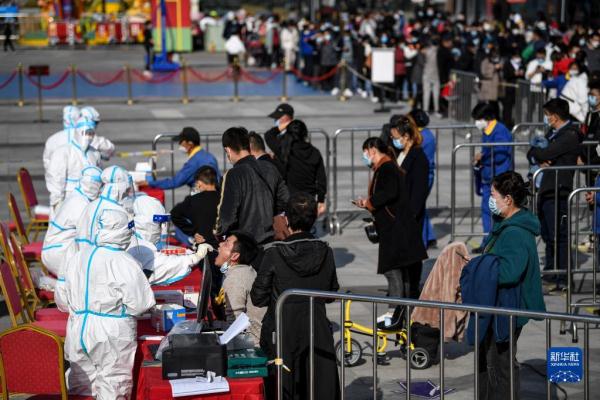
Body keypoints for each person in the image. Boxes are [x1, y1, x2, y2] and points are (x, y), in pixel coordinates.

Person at [55, 208, 155, 399]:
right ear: (122, 230)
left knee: (81, 385)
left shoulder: (79, 256)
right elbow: (141, 303)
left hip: (78, 327)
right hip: (111, 332)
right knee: (113, 385)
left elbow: (62, 299)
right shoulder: (123, 260)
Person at [251, 192, 340, 400]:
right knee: (315, 386)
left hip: (282, 330)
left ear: (288, 220)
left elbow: (258, 297)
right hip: (315, 327)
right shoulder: (325, 250)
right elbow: (330, 293)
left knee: (284, 388)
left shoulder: (274, 252)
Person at [474, 171, 546, 400]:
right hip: (501, 306)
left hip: (507, 308)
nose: (490, 199)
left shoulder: (515, 232)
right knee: (493, 361)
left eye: (493, 194)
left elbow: (508, 272)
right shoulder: (506, 224)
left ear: (508, 199)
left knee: (499, 364)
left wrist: (478, 268)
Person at [353, 137, 427, 309]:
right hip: (397, 229)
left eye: (365, 152)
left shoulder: (387, 168)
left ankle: (396, 311)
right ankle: (404, 311)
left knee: (393, 271)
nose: (364, 156)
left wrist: (368, 203)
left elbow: (389, 192)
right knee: (403, 273)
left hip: (397, 230)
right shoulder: (385, 168)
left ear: (372, 150)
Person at [527, 98, 581, 291]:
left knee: (560, 235)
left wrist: (541, 154)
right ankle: (551, 273)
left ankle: (563, 277)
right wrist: (538, 153)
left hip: (559, 189)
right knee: (548, 234)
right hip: (546, 189)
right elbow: (533, 152)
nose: (547, 118)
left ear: (556, 116)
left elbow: (543, 153)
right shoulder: (553, 133)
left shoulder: (569, 135)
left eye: (548, 115)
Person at [215, 127, 289, 247]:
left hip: (245, 244)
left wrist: (216, 232)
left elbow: (226, 218)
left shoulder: (232, 175)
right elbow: (284, 199)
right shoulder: (270, 168)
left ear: (227, 150)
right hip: (270, 240)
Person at [127, 195, 213, 285]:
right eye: (159, 224)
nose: (161, 228)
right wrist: (196, 257)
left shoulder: (135, 238)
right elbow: (164, 266)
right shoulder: (140, 247)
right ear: (147, 223)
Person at [42, 166, 103, 276]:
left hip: (55, 248)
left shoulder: (77, 195)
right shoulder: (80, 204)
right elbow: (89, 235)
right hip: (58, 253)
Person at [471, 102, 513, 250]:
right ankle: (487, 243)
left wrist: (483, 157)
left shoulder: (500, 130)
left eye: (478, 119)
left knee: (497, 212)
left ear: (486, 118)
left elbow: (501, 153)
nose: (476, 122)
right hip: (489, 177)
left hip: (499, 178)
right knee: (486, 211)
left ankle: (496, 244)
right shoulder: (488, 130)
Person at [266, 120, 327, 216]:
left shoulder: (285, 151)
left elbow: (269, 136)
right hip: (308, 200)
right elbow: (321, 179)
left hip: (290, 199)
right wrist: (321, 200)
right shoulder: (315, 152)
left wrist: (286, 124)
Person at [215, 231, 265, 345]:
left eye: (226, 244)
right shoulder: (244, 270)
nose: (220, 245)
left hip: (252, 346)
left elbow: (234, 327)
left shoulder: (236, 278)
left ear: (234, 256)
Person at [46, 115, 101, 214]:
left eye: (91, 133)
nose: (88, 137)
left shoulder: (94, 153)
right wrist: (57, 201)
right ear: (78, 132)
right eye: (85, 133)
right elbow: (55, 178)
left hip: (90, 201)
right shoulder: (63, 152)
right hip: (67, 198)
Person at [140, 127, 220, 190]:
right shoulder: (209, 156)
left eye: (181, 141)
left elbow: (175, 182)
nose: (179, 144)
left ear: (190, 144)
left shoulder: (194, 162)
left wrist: (150, 183)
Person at [74, 165, 132, 251]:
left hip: (84, 258)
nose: (127, 194)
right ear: (120, 189)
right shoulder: (117, 211)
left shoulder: (90, 206)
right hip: (104, 259)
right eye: (126, 190)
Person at [389, 115, 430, 233]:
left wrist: (409, 217)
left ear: (406, 136)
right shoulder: (399, 153)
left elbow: (419, 193)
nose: (393, 140)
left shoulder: (418, 159)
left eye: (395, 137)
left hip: (408, 217)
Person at [170, 166, 220, 247]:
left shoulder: (193, 200)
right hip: (223, 246)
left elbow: (174, 214)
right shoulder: (225, 198)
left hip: (203, 245)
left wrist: (192, 232)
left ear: (199, 183)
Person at [408, 109, 437, 247]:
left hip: (424, 175)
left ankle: (423, 240)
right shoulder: (426, 134)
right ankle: (429, 236)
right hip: (426, 174)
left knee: (418, 206)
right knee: (421, 206)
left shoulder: (421, 137)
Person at [264, 103, 295, 169]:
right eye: (275, 118)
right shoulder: (279, 136)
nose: (276, 120)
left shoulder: (294, 136)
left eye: (279, 117)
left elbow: (268, 135)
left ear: (288, 118)